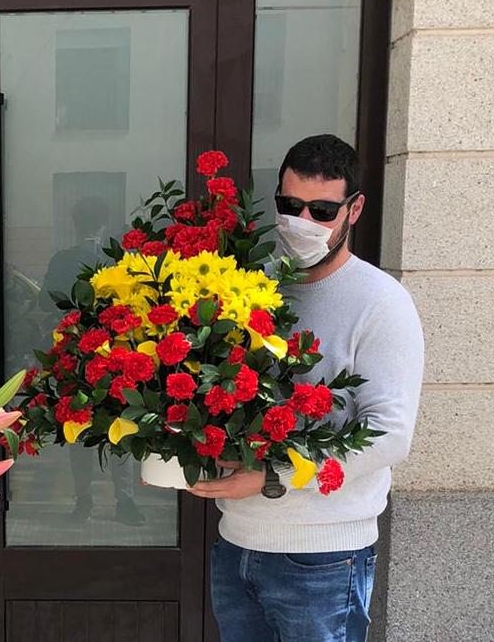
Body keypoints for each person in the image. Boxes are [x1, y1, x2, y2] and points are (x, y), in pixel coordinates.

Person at [188, 135, 425, 642]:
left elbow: (389, 436)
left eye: (321, 211)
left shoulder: (381, 303)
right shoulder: (255, 285)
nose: (303, 222)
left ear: (354, 209)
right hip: (237, 545)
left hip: (324, 557)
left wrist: (272, 476)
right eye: (290, 205)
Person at [40, 196, 145, 526]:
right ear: (103, 224)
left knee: (79, 424)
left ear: (75, 224)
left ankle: (83, 501)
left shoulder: (63, 259)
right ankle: (125, 502)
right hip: (117, 354)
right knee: (121, 425)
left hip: (74, 354)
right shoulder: (117, 260)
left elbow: (45, 302)